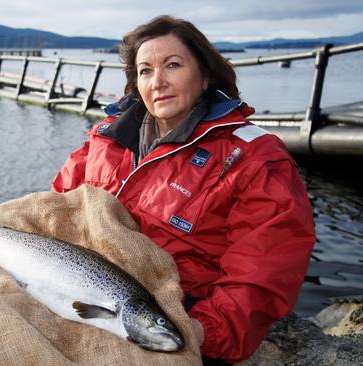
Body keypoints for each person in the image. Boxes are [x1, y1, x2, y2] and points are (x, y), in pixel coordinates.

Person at [52, 15, 315, 364]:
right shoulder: (105, 137)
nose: (157, 81)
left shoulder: (253, 157)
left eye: (172, 65)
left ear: (205, 76)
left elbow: (265, 270)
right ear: (136, 83)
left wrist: (201, 330)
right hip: (88, 291)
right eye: (145, 70)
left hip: (178, 312)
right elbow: (56, 207)